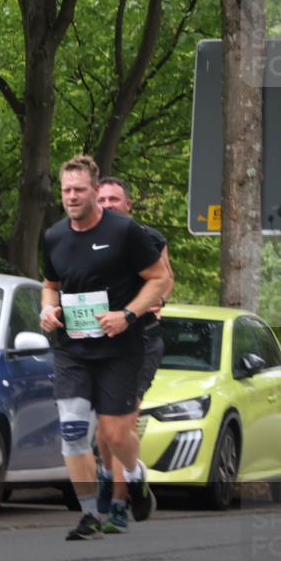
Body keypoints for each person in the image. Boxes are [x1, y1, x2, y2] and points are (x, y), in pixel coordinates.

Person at [40, 156, 169, 541]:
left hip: (119, 346)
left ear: (95, 191)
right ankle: (89, 514)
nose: (72, 197)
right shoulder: (54, 237)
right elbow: (50, 283)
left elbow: (159, 280)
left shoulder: (125, 231)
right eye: (66, 190)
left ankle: (134, 476)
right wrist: (47, 308)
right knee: (74, 429)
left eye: (80, 190)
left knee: (114, 434)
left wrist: (127, 314)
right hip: (73, 349)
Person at [94, 176, 175, 534]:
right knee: (103, 429)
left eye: (115, 198)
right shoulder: (83, 240)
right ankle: (117, 475)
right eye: (103, 199)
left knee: (121, 424)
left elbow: (165, 278)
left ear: (128, 205)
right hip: (99, 342)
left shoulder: (149, 239)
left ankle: (117, 502)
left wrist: (156, 301)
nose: (108, 204)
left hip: (140, 342)